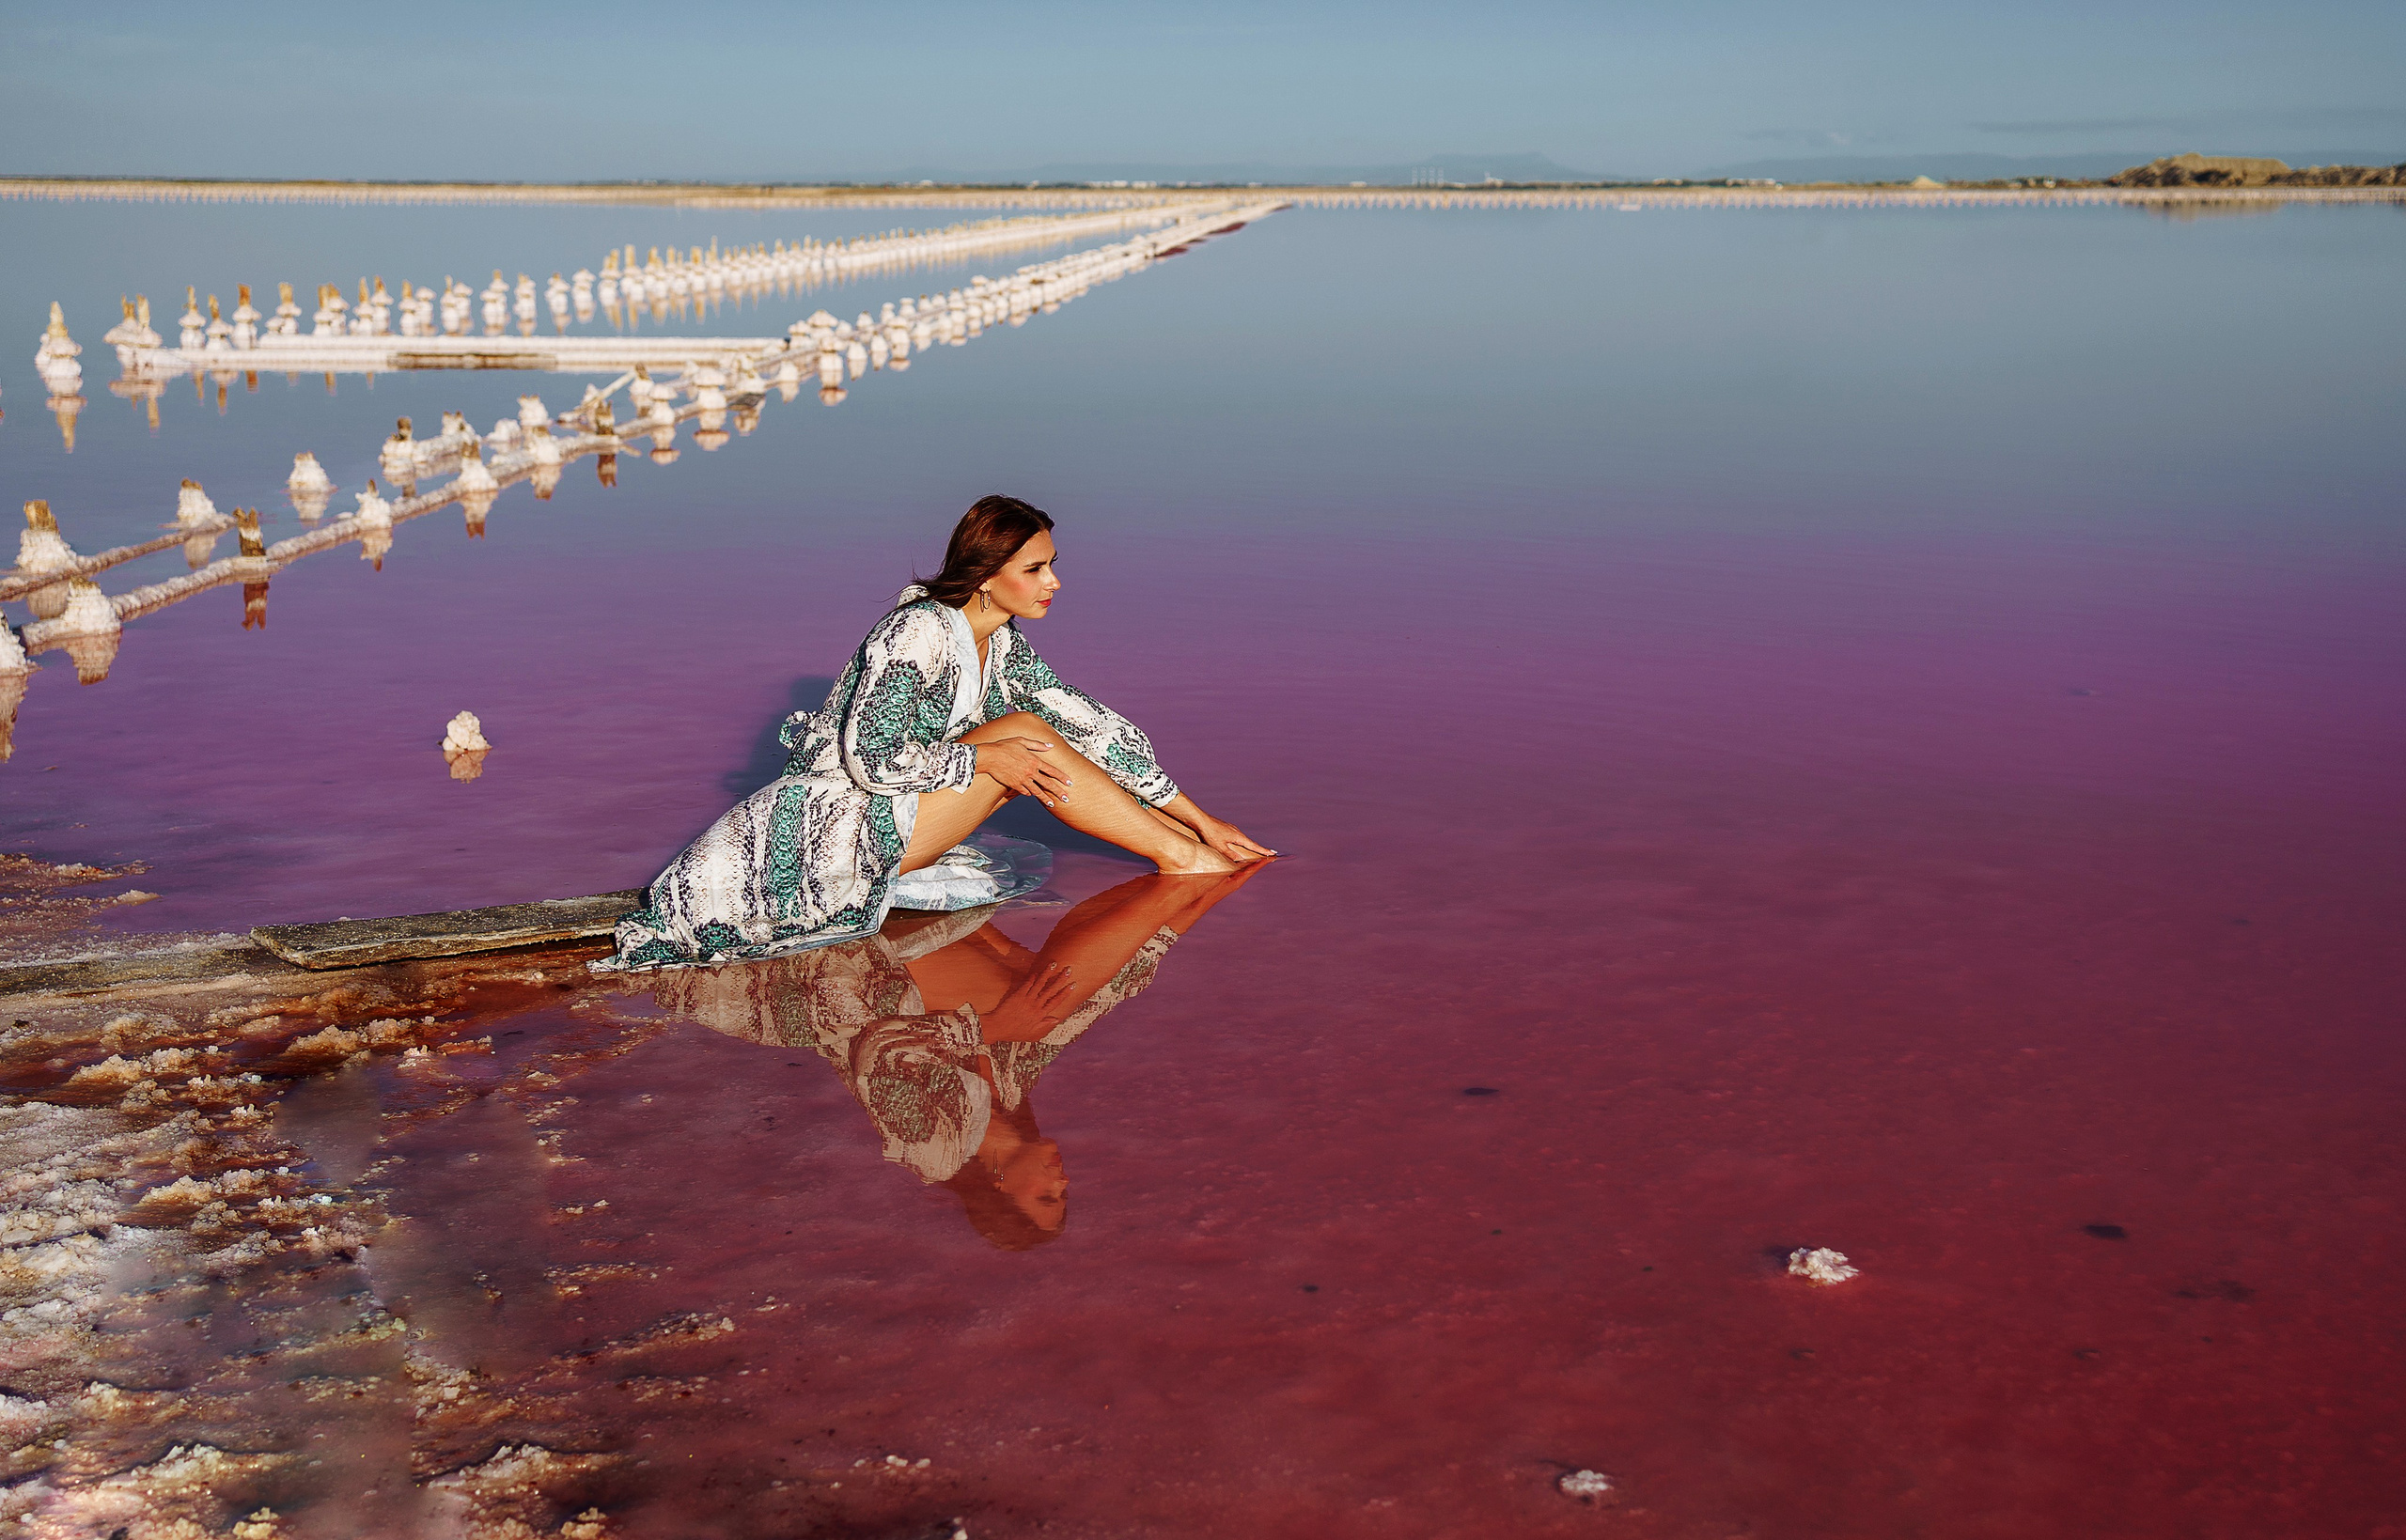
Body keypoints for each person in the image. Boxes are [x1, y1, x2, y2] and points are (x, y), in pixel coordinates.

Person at [602, 495, 1273, 972]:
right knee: (1024, 735)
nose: (1054, 582)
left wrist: (1201, 816)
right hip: (833, 832)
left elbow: (1085, 722)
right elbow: (871, 757)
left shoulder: (999, 644)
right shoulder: (916, 631)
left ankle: (1187, 850)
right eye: (1035, 568)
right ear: (986, 576)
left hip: (895, 816)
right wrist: (988, 754)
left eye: (1051, 563)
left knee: (1038, 726)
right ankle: (1181, 864)